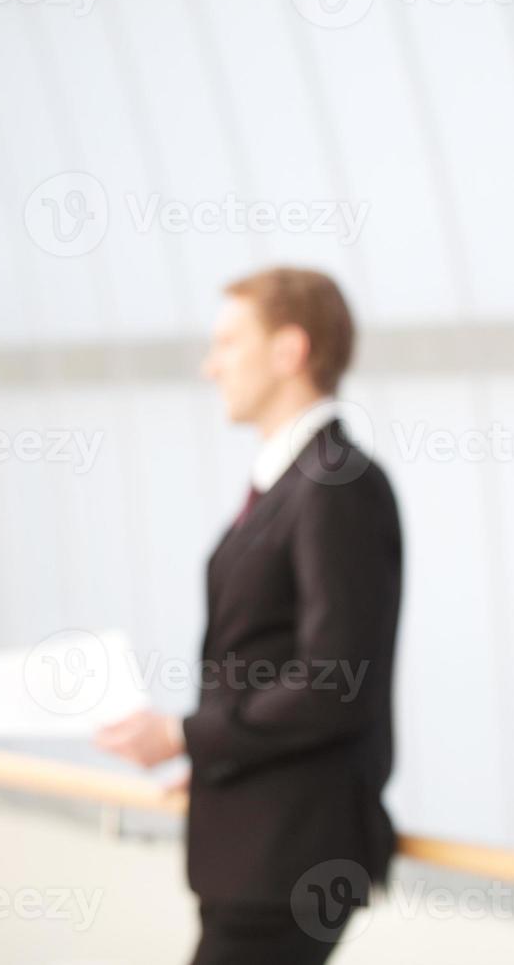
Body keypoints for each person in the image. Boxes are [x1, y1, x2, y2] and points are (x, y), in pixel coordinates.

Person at [96, 268, 402, 965]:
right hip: (261, 843)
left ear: (289, 351)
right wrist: (216, 760)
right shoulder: (299, 483)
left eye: (229, 342)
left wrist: (184, 734)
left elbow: (333, 682)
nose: (211, 366)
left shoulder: (336, 487)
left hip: (290, 857)